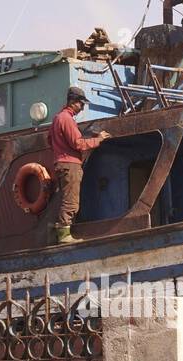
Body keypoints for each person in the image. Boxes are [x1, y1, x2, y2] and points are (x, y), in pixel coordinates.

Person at [49, 87, 111, 244]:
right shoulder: (67, 119)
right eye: (81, 104)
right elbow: (78, 144)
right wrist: (99, 139)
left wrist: (60, 149)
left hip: (61, 162)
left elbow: (49, 140)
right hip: (70, 164)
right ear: (72, 102)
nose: (82, 107)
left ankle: (64, 232)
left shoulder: (57, 118)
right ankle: (64, 236)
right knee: (71, 201)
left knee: (67, 198)